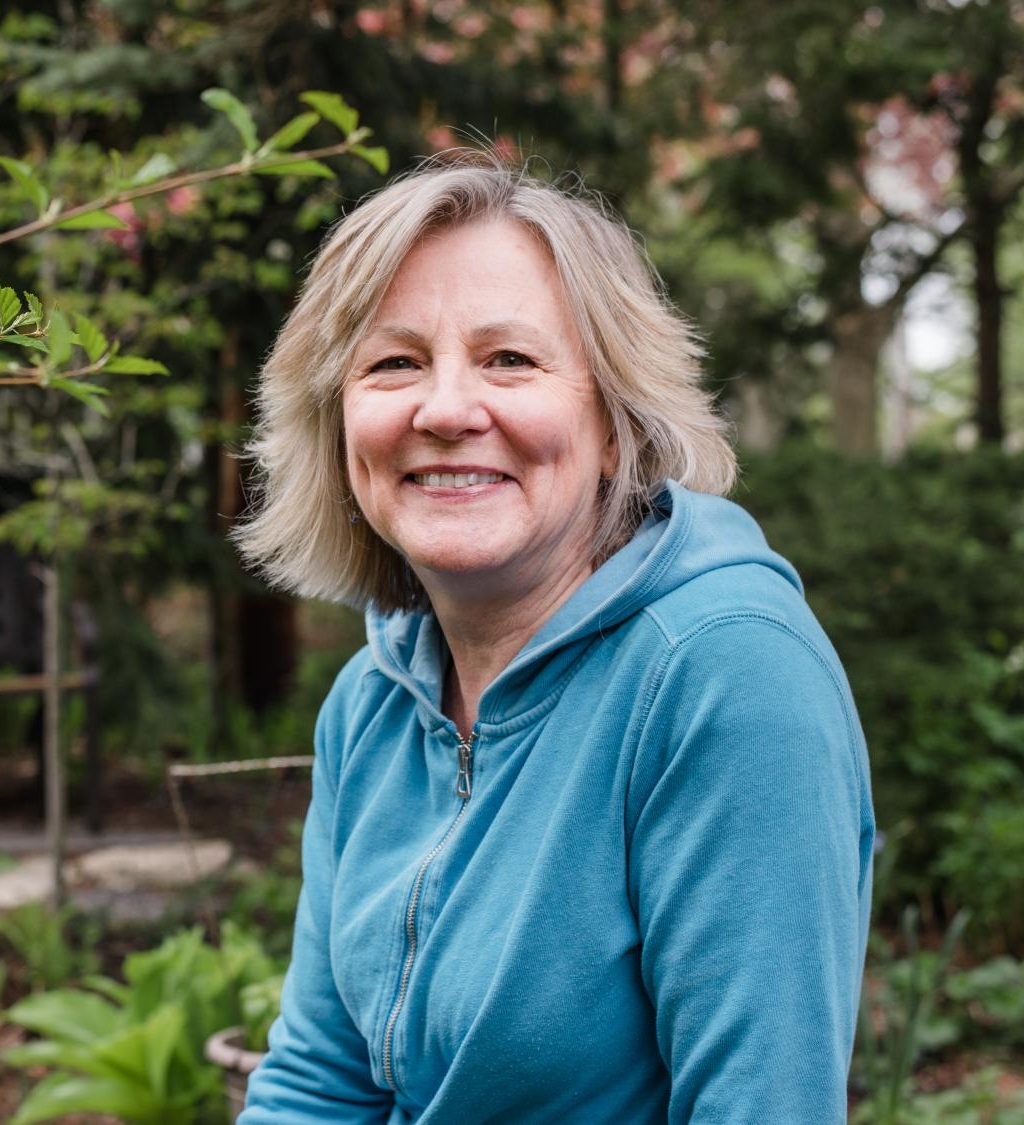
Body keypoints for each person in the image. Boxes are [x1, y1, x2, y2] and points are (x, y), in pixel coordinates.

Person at [231, 154, 874, 1123]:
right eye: (394, 362)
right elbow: (322, 1081)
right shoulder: (370, 704)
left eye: (511, 360)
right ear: (337, 426)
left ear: (615, 422)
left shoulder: (726, 675)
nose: (445, 410)